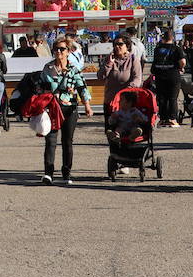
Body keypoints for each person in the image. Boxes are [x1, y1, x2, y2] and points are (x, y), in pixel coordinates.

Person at [40, 39, 93, 185]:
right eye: (56, 49)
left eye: (62, 49)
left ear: (68, 51)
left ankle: (66, 173)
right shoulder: (48, 68)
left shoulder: (73, 69)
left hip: (70, 108)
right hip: (52, 108)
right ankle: (48, 173)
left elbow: (82, 87)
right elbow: (41, 87)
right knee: (50, 141)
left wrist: (87, 105)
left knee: (67, 142)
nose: (58, 52)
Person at [150, 32, 186, 128]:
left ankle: (162, 119)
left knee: (162, 98)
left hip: (159, 75)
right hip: (173, 75)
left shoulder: (157, 49)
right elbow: (183, 61)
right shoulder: (177, 49)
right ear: (172, 38)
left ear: (163, 38)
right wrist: (180, 67)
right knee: (173, 98)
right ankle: (172, 119)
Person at [98, 35, 143, 104]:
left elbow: (137, 79)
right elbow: (101, 77)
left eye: (120, 44)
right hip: (111, 100)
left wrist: (127, 89)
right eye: (115, 44)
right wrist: (109, 64)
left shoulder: (133, 60)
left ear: (127, 46)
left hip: (127, 101)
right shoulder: (109, 59)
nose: (117, 46)